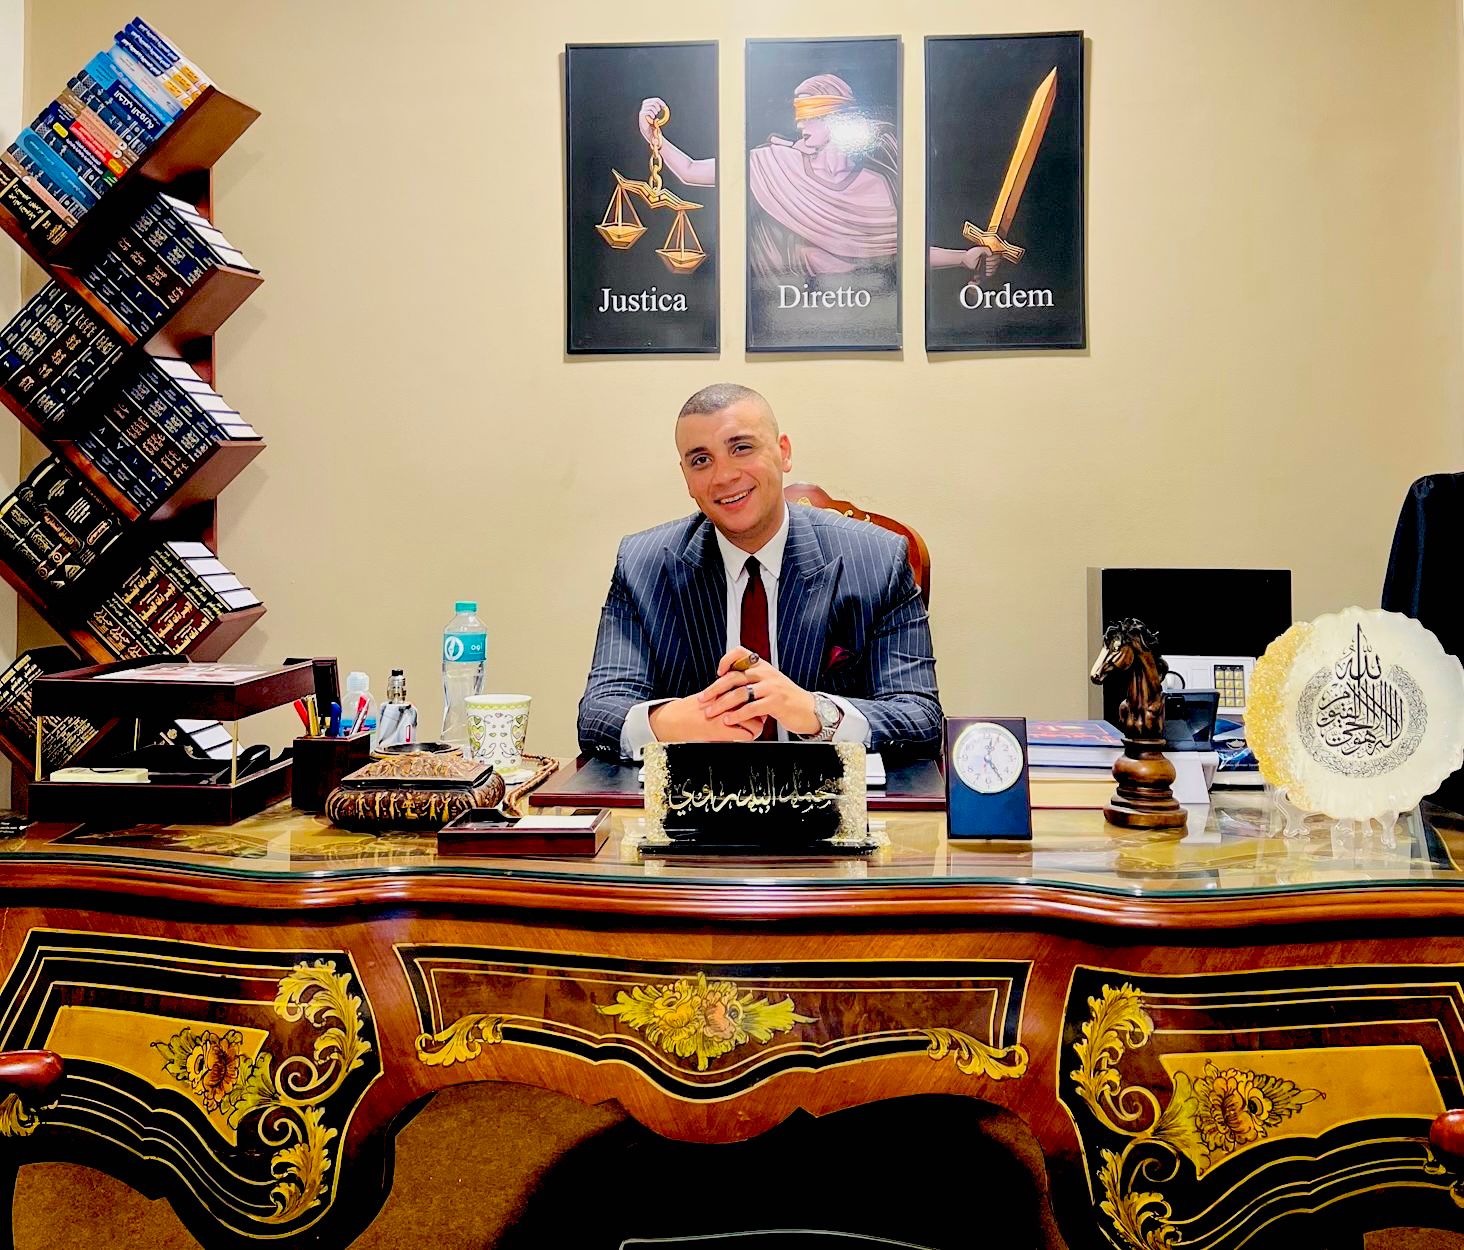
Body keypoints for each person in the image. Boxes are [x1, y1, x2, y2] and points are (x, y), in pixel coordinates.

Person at [577, 383, 942, 761]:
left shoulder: (877, 560)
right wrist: (679, 721)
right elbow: (599, 714)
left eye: (741, 448)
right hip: (697, 793)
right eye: (701, 460)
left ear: (783, 452)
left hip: (829, 792)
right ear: (686, 478)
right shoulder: (643, 566)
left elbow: (921, 719)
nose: (723, 476)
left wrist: (816, 713)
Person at [638, 74, 901, 283]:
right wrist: (652, 134)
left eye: (809, 116)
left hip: (859, 310)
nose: (799, 125)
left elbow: (896, 257)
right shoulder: (775, 163)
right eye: (799, 116)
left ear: (836, 119)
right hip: (789, 310)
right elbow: (691, 170)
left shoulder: (875, 185)